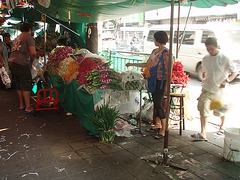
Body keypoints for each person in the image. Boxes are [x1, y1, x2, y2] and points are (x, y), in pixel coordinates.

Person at [126, 31, 172, 139]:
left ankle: (164, 130)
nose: (154, 41)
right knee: (156, 103)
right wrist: (132, 64)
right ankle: (157, 124)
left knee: (159, 105)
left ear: (158, 40)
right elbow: (147, 64)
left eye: (154, 39)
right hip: (153, 80)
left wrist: (166, 86)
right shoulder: (154, 51)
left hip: (161, 82)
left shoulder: (166, 53)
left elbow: (169, 69)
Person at [191, 37, 237, 140]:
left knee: (221, 110)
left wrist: (227, 80)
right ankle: (203, 132)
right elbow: (204, 71)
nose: (209, 51)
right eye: (208, 49)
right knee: (203, 108)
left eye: (211, 48)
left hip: (219, 91)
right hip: (207, 89)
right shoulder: (206, 58)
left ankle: (222, 126)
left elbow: (234, 72)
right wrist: (204, 79)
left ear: (216, 46)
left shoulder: (224, 58)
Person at [8, 23, 36, 113]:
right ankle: (28, 107)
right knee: (26, 84)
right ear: (29, 29)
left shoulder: (18, 37)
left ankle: (21, 105)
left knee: (19, 84)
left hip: (12, 63)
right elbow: (33, 53)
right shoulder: (28, 37)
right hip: (21, 63)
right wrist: (31, 61)